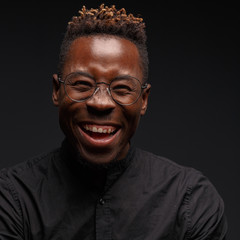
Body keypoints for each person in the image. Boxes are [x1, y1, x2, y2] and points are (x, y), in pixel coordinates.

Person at [0, 4, 227, 239]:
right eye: (82, 84)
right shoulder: (12, 198)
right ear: (57, 91)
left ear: (144, 100)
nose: (100, 103)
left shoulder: (190, 202)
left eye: (122, 88)